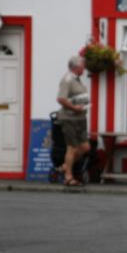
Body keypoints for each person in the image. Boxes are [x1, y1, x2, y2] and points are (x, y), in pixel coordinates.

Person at [56, 55, 91, 186]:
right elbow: (61, 99)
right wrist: (74, 107)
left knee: (85, 147)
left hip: (80, 118)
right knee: (71, 147)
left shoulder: (77, 79)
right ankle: (68, 177)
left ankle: (65, 166)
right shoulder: (68, 80)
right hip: (70, 118)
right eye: (83, 65)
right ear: (76, 67)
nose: (84, 68)